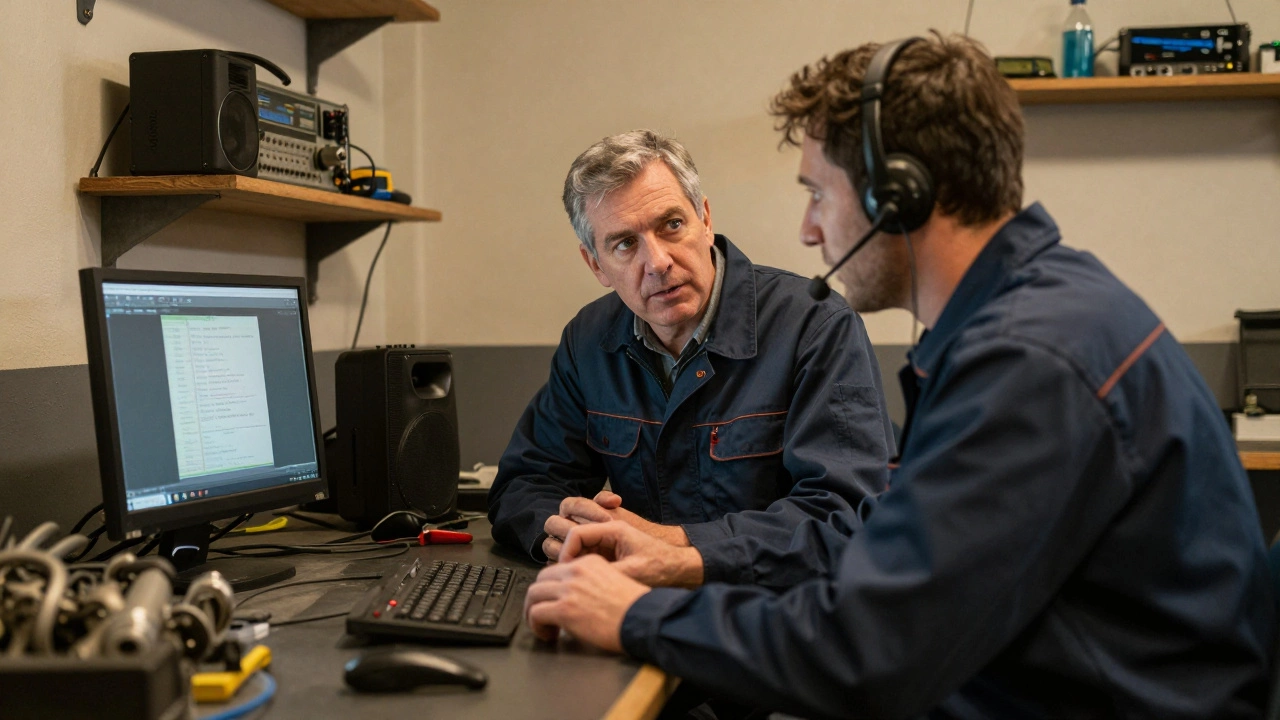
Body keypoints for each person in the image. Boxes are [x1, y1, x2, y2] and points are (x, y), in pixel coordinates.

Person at [522, 34, 1276, 718]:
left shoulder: (1028, 363)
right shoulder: (1036, 314)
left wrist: (630, 614)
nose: (809, 230)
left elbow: (868, 652)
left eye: (818, 194)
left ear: (898, 196)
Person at [487, 130, 894, 590]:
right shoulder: (588, 342)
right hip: (638, 607)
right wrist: (561, 536)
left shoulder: (815, 326)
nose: (658, 261)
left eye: (672, 225)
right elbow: (525, 482)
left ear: (704, 218)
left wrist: (675, 545)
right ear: (595, 265)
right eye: (625, 244)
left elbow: (843, 516)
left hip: (783, 617)